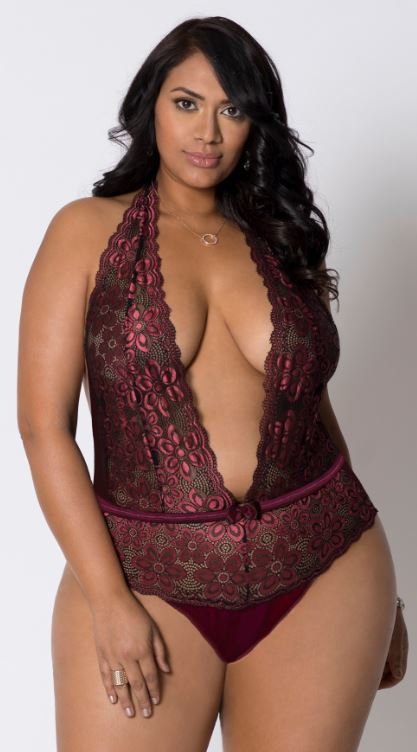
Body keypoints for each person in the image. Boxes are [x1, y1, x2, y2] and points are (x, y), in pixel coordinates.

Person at [17, 15, 408, 752]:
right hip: (144, 579)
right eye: (187, 103)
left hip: (326, 572)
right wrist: (108, 601)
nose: (207, 132)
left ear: (255, 124)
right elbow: (43, 429)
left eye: (231, 110)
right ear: (151, 108)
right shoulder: (85, 232)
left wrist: (382, 601)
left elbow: (311, 411)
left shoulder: (279, 239)